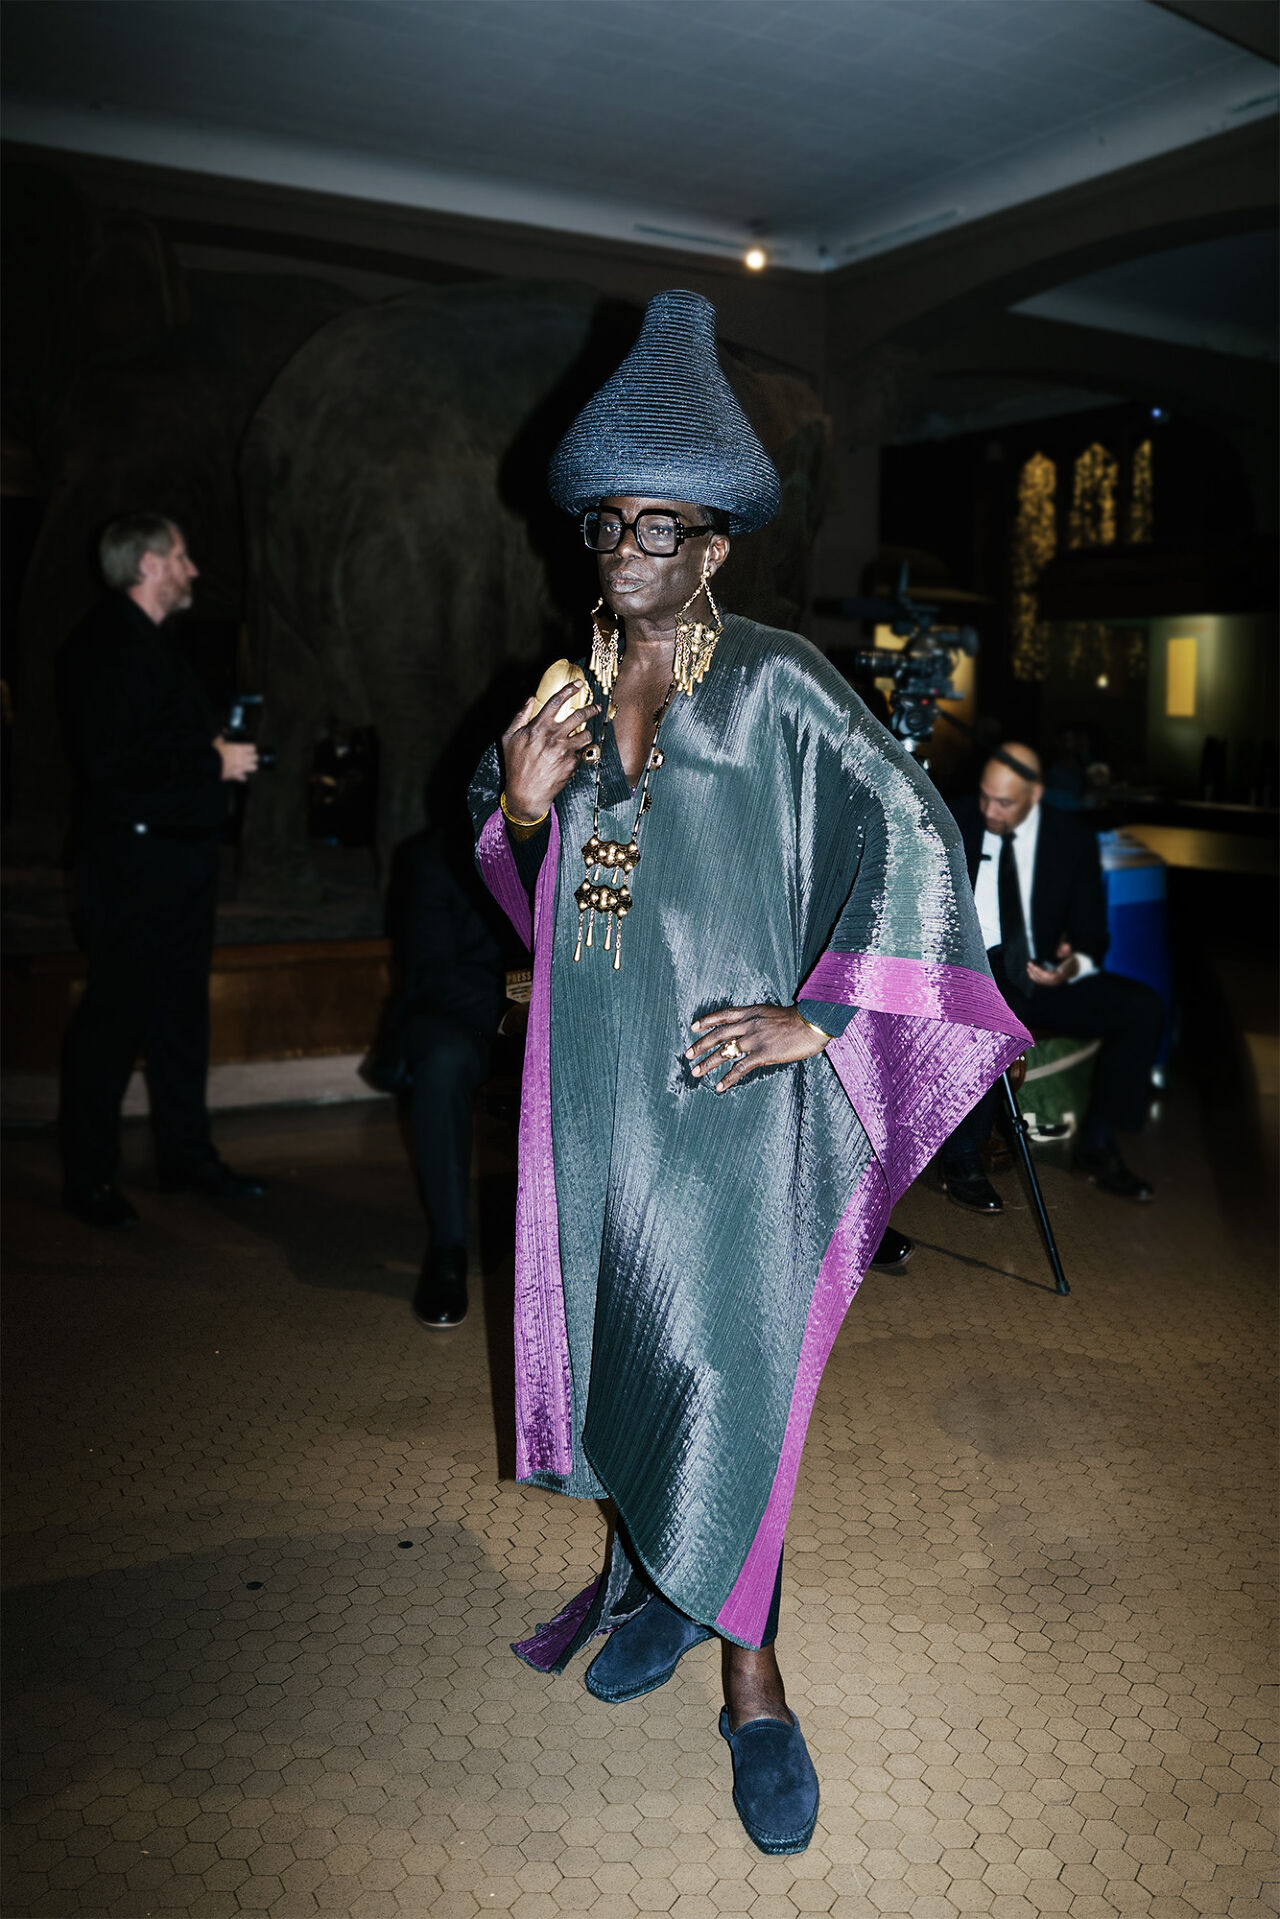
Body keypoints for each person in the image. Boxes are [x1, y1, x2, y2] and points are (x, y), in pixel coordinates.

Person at [467, 291, 1028, 1854]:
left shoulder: (776, 682)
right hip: (596, 1088)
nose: (624, 547)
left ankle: (755, 1681)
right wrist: (523, 808)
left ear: (715, 546)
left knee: (731, 1371)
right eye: (607, 521)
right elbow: (547, 887)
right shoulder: (567, 692)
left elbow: (914, 833)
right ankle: (658, 1577)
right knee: (625, 1343)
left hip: (724, 1099)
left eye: (661, 524)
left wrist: (825, 1015)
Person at [57, 513, 267, 1228]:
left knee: (179, 1018)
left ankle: (186, 1157)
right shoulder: (102, 646)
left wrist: (210, 754)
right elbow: (113, 766)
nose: (193, 569)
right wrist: (212, 761)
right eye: (180, 556)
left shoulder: (150, 642)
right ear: (147, 564)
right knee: (114, 1019)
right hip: (132, 866)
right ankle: (89, 1178)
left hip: (174, 859)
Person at [939, 743, 1164, 1213]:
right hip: (965, 968)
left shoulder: (1070, 839)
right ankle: (961, 1156)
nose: (989, 811)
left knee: (1141, 1008)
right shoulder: (951, 820)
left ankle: (1097, 1146)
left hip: (1037, 972)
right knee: (1005, 1007)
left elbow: (1091, 936)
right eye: (985, 797)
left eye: (1004, 803)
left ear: (1035, 795)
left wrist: (1071, 965)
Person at [372, 831, 516, 1327]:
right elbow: (428, 974)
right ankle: (448, 1248)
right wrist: (510, 1013)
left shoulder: (573, 839)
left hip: (555, 1016)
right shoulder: (430, 857)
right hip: (463, 1018)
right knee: (443, 1058)